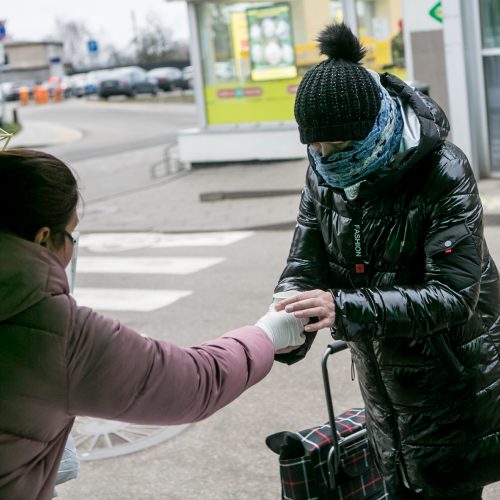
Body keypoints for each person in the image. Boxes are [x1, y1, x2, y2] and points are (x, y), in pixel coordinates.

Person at [273, 23, 500, 499]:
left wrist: (345, 307)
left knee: (446, 487)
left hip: (452, 383)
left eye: (335, 147)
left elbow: (454, 295)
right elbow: (305, 257)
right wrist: (285, 324)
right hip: (383, 387)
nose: (322, 157)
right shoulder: (324, 173)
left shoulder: (443, 171)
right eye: (312, 146)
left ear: (372, 127)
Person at [0, 148, 307, 499]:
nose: (71, 250)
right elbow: (196, 382)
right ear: (43, 238)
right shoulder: (53, 329)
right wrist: (268, 333)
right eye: (71, 235)